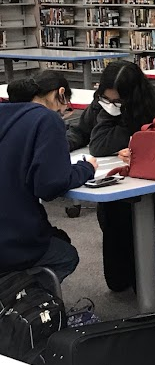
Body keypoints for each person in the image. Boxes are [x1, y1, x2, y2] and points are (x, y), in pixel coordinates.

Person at [67, 60, 155, 291]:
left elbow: (99, 144)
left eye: (117, 101)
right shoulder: (101, 104)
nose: (110, 105)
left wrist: (109, 114)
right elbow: (81, 131)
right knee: (117, 280)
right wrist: (60, 145)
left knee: (129, 229)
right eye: (105, 98)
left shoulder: (148, 109)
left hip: (144, 186)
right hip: (111, 182)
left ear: (130, 97)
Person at [0, 72, 97, 281]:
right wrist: (86, 168)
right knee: (66, 255)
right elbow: (50, 185)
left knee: (57, 237)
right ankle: (17, 295)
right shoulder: (46, 118)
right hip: (11, 238)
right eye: (66, 108)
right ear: (60, 94)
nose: (64, 114)